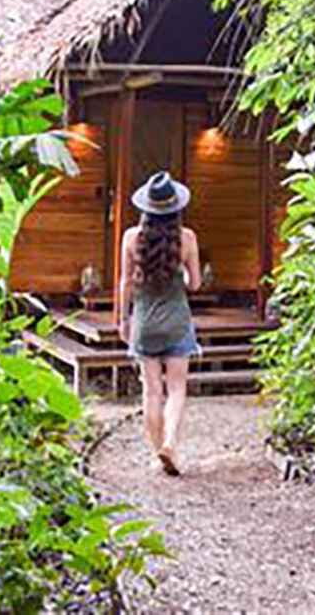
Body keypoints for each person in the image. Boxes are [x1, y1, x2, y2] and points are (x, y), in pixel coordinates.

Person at [116, 171, 201, 475]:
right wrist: (184, 273)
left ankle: (157, 455)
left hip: (144, 324)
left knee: (152, 392)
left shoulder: (131, 238)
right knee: (176, 389)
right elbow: (195, 285)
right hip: (177, 322)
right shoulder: (187, 238)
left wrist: (122, 319)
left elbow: (125, 282)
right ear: (175, 207)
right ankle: (170, 444)